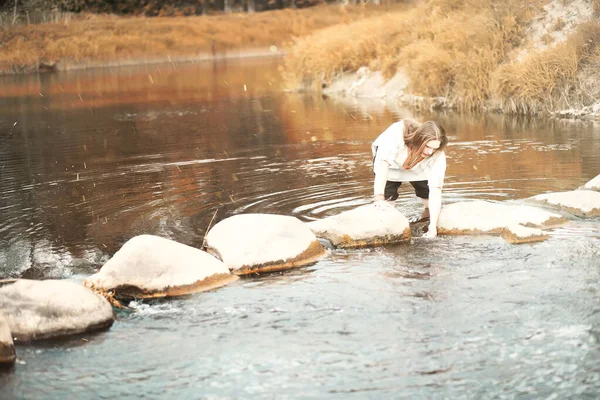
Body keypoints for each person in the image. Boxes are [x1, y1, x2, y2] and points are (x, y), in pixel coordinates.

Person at [371, 118, 448, 238]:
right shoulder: (395, 135)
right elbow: (382, 164)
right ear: (419, 140)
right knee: (386, 208)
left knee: (429, 202)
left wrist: (432, 226)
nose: (429, 152)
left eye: (434, 148)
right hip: (391, 168)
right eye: (427, 146)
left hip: (420, 169)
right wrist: (379, 198)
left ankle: (423, 223)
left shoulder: (437, 154)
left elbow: (436, 189)